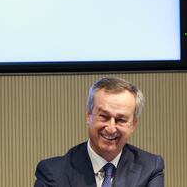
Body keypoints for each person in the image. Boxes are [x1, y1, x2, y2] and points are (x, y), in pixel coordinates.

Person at [34, 77, 164, 187]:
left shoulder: (150, 168)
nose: (111, 128)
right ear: (88, 115)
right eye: (104, 116)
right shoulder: (53, 173)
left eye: (121, 120)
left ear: (134, 124)